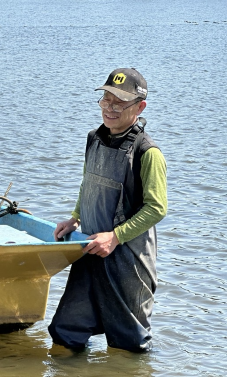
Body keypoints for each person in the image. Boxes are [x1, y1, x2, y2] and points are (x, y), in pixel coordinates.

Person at [49, 68, 167, 352]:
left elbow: (157, 208)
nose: (110, 108)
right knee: (66, 333)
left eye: (119, 102)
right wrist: (75, 218)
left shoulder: (147, 152)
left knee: (129, 346)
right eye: (106, 100)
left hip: (128, 260)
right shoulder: (94, 139)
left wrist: (114, 237)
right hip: (90, 250)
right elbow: (88, 183)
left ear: (140, 107)